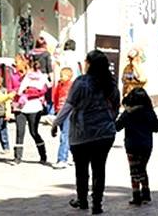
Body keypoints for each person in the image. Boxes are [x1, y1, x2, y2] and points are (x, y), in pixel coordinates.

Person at [53, 50, 120, 215]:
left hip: (82, 133)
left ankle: (82, 200)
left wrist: (56, 123)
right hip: (104, 133)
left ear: (89, 64)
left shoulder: (81, 83)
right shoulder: (110, 84)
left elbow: (68, 105)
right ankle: (97, 203)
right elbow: (116, 107)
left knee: (81, 169)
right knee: (99, 168)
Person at [115, 87, 158, 205]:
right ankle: (145, 193)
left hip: (131, 146)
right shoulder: (148, 112)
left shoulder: (127, 113)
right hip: (146, 145)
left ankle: (136, 195)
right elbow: (157, 128)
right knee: (142, 168)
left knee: (134, 170)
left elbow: (117, 127)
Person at [17, 59, 50, 165]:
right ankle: (43, 156)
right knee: (34, 132)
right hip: (34, 107)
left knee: (20, 133)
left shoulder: (27, 77)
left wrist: (27, 90)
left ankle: (18, 158)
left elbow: (19, 91)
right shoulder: (43, 77)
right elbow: (48, 86)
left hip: (23, 106)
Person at [52, 67, 74, 169]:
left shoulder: (72, 86)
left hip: (69, 113)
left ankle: (62, 159)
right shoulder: (59, 86)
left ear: (69, 76)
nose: (61, 77)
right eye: (60, 75)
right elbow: (55, 97)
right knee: (66, 135)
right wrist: (56, 111)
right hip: (60, 112)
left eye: (63, 75)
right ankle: (69, 156)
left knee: (64, 135)